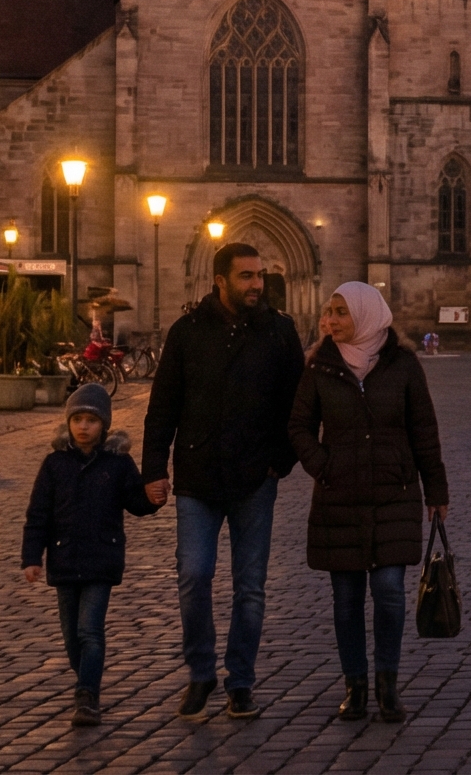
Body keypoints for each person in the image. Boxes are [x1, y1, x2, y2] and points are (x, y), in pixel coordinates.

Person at [142, 242, 307, 722]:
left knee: (250, 587)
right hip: (197, 476)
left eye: (260, 276)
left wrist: (283, 459)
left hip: (256, 476)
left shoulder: (279, 332)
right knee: (194, 575)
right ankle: (200, 672)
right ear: (220, 281)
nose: (257, 284)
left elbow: (298, 404)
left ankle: (240, 681)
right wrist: (155, 468)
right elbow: (163, 407)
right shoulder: (188, 332)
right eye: (247, 277)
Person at [289, 281, 445, 724]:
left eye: (341, 312)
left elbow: (424, 430)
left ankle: (387, 683)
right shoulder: (320, 367)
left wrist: (437, 491)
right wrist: (324, 465)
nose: (330, 321)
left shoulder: (404, 365)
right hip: (339, 497)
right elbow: (299, 426)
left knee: (390, 593)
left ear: (366, 314)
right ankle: (355, 686)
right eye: (328, 312)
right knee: (346, 600)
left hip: (393, 493)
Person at [21, 382, 162, 727]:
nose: (84, 427)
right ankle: (85, 676)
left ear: (104, 426)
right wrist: (31, 557)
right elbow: (38, 514)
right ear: (69, 423)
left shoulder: (117, 463)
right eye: (78, 419)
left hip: (101, 559)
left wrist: (153, 497)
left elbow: (135, 501)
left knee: (89, 631)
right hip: (64, 559)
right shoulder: (55, 464)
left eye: (92, 420)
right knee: (72, 638)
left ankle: (87, 695)